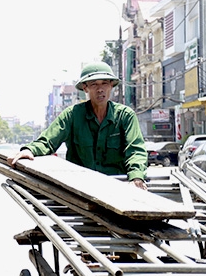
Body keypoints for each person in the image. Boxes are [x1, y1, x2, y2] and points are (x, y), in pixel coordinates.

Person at [8, 62, 148, 190]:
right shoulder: (72, 115)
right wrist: (29, 150)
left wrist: (136, 176)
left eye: (104, 83)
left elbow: (136, 150)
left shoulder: (125, 116)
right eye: (94, 84)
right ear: (85, 88)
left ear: (111, 85)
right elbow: (48, 140)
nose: (100, 89)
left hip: (117, 186)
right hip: (81, 189)